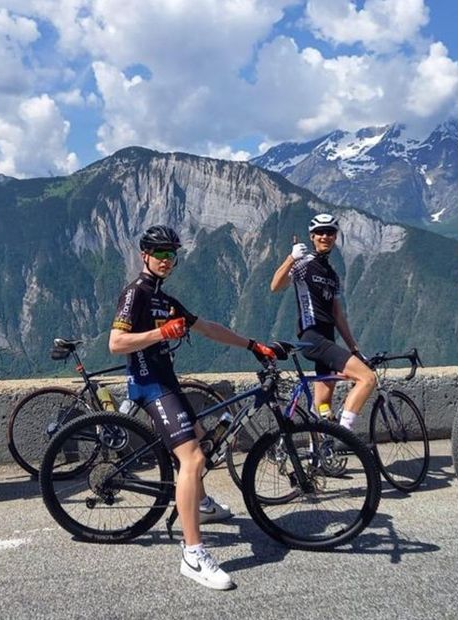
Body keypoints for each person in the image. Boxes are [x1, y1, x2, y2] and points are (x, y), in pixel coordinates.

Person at [109, 225, 276, 591]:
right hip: (150, 385)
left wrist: (253, 345)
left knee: (203, 444)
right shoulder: (135, 293)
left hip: (167, 382)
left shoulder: (164, 298)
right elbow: (116, 342)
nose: (167, 261)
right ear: (145, 255)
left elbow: (209, 328)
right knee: (193, 460)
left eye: (172, 255)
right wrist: (160, 334)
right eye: (160, 254)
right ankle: (193, 553)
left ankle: (199, 503)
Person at [269, 213, 377, 430]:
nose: (325, 236)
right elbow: (275, 286)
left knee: (322, 405)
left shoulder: (332, 274)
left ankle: (319, 453)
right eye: (320, 232)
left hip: (326, 340)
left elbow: (338, 316)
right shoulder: (304, 264)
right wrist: (291, 258)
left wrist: (354, 349)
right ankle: (345, 434)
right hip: (312, 337)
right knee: (367, 378)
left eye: (330, 232)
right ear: (312, 236)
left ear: (335, 237)